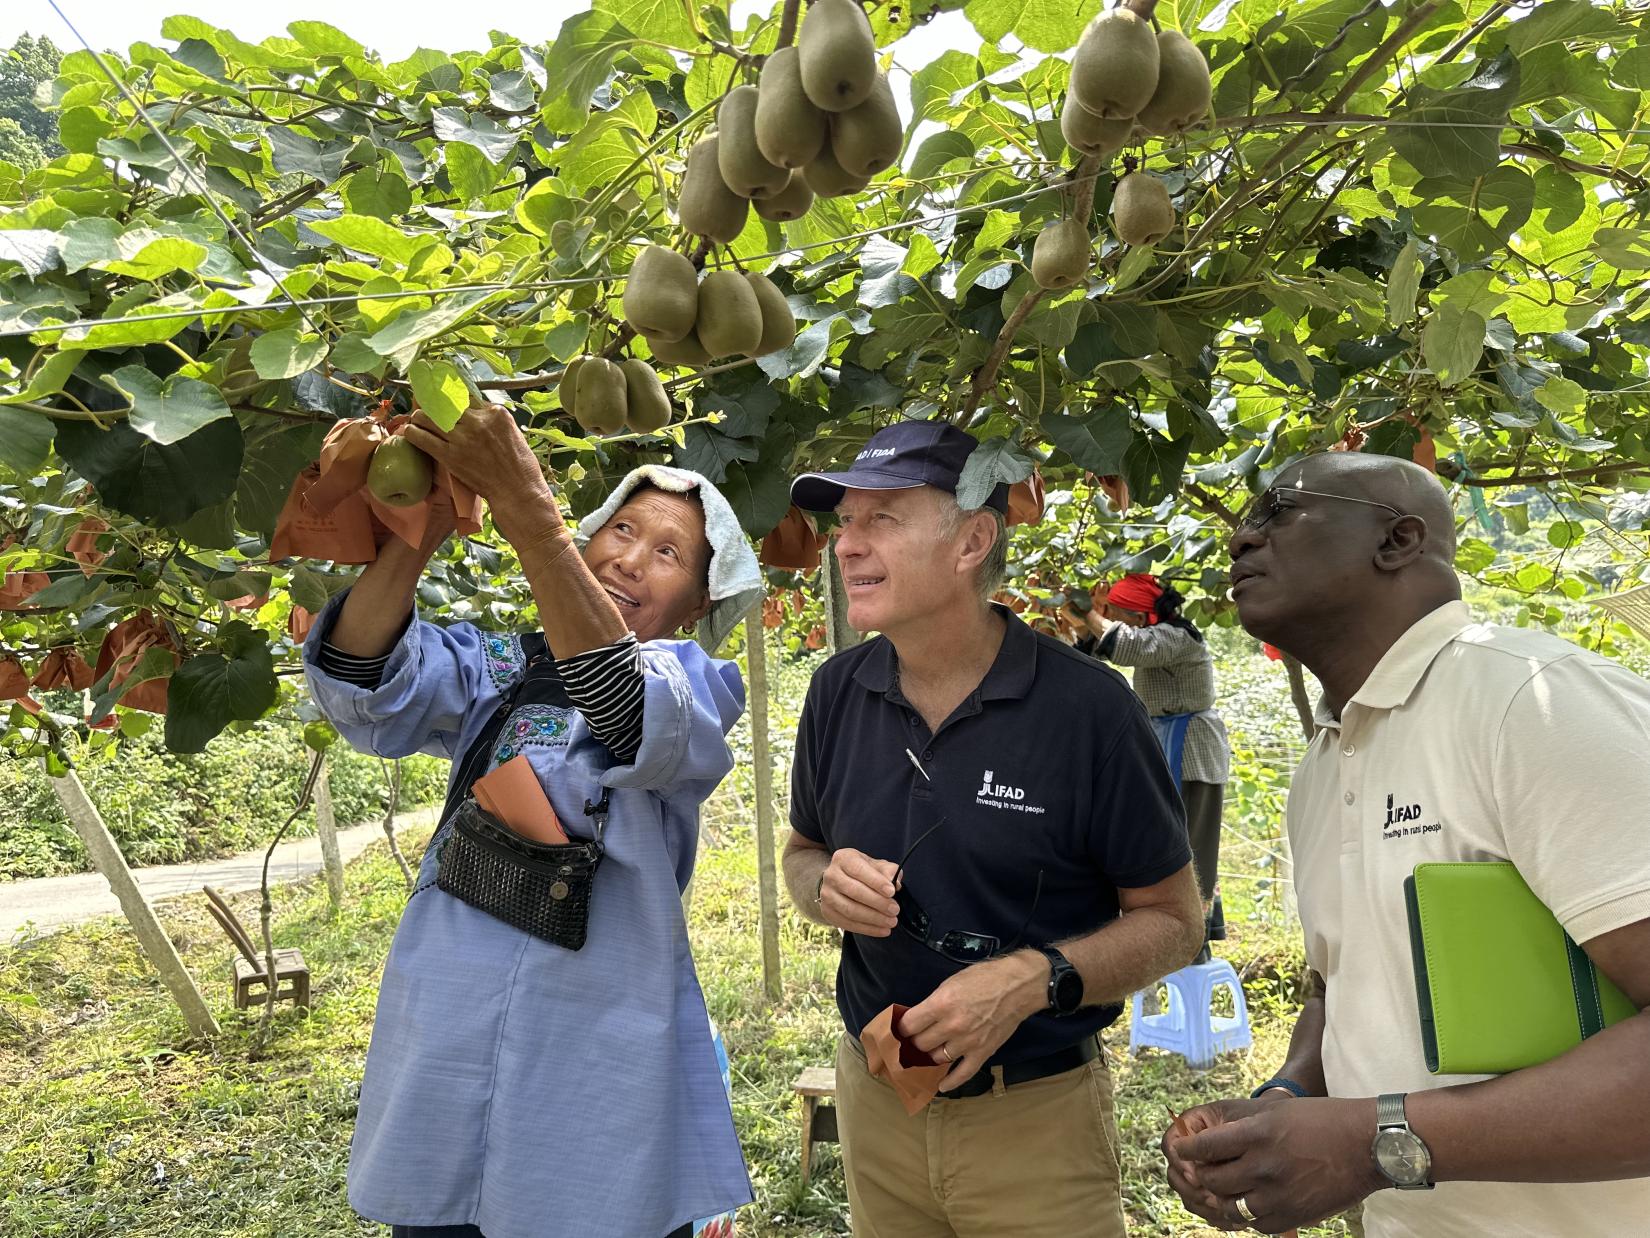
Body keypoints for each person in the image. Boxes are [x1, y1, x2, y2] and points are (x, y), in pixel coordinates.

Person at [1161, 452, 1650, 1237]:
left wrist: (1375, 1142)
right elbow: (1343, 987)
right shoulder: (1325, 762)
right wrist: (1288, 1098)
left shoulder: (1529, 703)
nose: (1241, 540)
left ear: (1398, 540)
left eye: (1279, 508)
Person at [303, 404, 762, 1238]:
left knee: (587, 1206)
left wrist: (526, 511)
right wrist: (422, 527)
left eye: (668, 554)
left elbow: (628, 710)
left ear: (697, 604)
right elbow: (358, 676)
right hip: (447, 1026)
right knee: (441, 1212)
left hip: (590, 1042)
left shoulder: (698, 684)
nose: (630, 558)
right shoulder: (500, 664)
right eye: (621, 530)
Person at [781, 420, 1204, 1238]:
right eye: (844, 523)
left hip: (1035, 1120)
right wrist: (825, 886)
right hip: (877, 1095)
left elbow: (1174, 922)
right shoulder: (837, 690)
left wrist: (1030, 980)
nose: (845, 546)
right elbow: (803, 854)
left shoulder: (1089, 712)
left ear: (974, 540)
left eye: (882, 520)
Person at [1065, 574, 1231, 956]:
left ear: (1139, 616)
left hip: (1192, 751)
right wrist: (1081, 621)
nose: (1118, 620)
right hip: (1164, 740)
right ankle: (1174, 927)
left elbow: (1128, 649)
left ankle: (1195, 934)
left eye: (1121, 613)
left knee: (1193, 840)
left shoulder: (1178, 637)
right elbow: (1089, 657)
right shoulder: (1155, 636)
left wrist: (1091, 613)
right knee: (1167, 836)